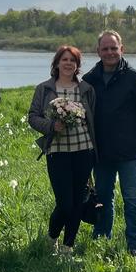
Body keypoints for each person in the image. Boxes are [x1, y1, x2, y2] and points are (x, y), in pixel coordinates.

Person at [82, 30, 136, 256]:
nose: (110, 52)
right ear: (98, 52)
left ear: (122, 49)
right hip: (101, 152)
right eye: (105, 48)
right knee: (103, 197)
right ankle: (102, 237)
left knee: (132, 198)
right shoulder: (89, 79)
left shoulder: (135, 77)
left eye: (114, 48)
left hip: (130, 151)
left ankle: (135, 242)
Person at [27, 45, 96, 255]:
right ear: (56, 63)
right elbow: (33, 116)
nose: (68, 64)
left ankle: (68, 246)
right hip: (57, 151)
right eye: (64, 60)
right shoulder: (45, 89)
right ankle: (52, 236)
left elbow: (93, 119)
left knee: (78, 201)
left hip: (84, 150)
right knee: (65, 203)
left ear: (77, 66)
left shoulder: (86, 89)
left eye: (72, 61)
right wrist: (51, 126)